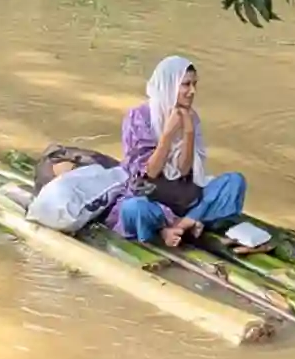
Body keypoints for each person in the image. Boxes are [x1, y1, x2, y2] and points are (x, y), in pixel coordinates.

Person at [106, 56, 248, 246]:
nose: (192, 91)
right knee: (133, 208)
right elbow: (150, 172)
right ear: (169, 85)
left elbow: (183, 170)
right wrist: (168, 134)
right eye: (186, 85)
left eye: (195, 85)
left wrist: (188, 131)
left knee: (234, 182)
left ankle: (183, 224)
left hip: (185, 199)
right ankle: (167, 228)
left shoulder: (191, 117)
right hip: (152, 199)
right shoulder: (138, 117)